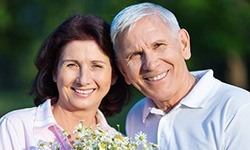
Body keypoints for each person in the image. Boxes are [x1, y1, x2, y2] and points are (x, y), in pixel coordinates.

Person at [110, 2, 250, 149]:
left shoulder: (237, 109)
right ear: (123, 70)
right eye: (135, 55)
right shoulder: (136, 116)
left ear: (183, 43)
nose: (151, 64)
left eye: (158, 45)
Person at [0, 14, 129, 149]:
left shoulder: (119, 144)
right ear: (54, 72)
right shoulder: (15, 128)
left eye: (96, 66)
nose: (83, 80)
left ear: (114, 75)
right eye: (72, 65)